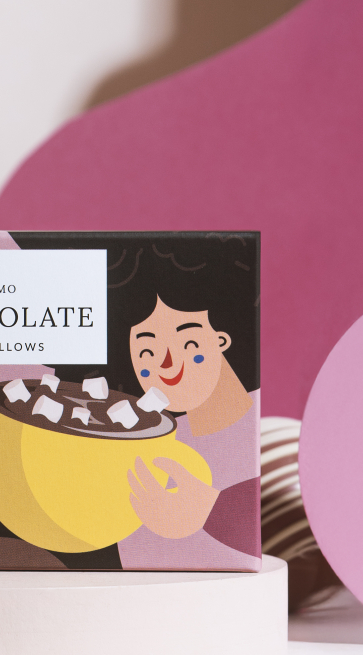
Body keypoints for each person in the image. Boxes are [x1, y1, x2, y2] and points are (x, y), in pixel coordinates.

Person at [111, 237, 261, 570]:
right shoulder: (150, 440)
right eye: (146, 351)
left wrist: (210, 511)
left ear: (221, 338)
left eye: (187, 341)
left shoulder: (252, 439)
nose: (167, 364)